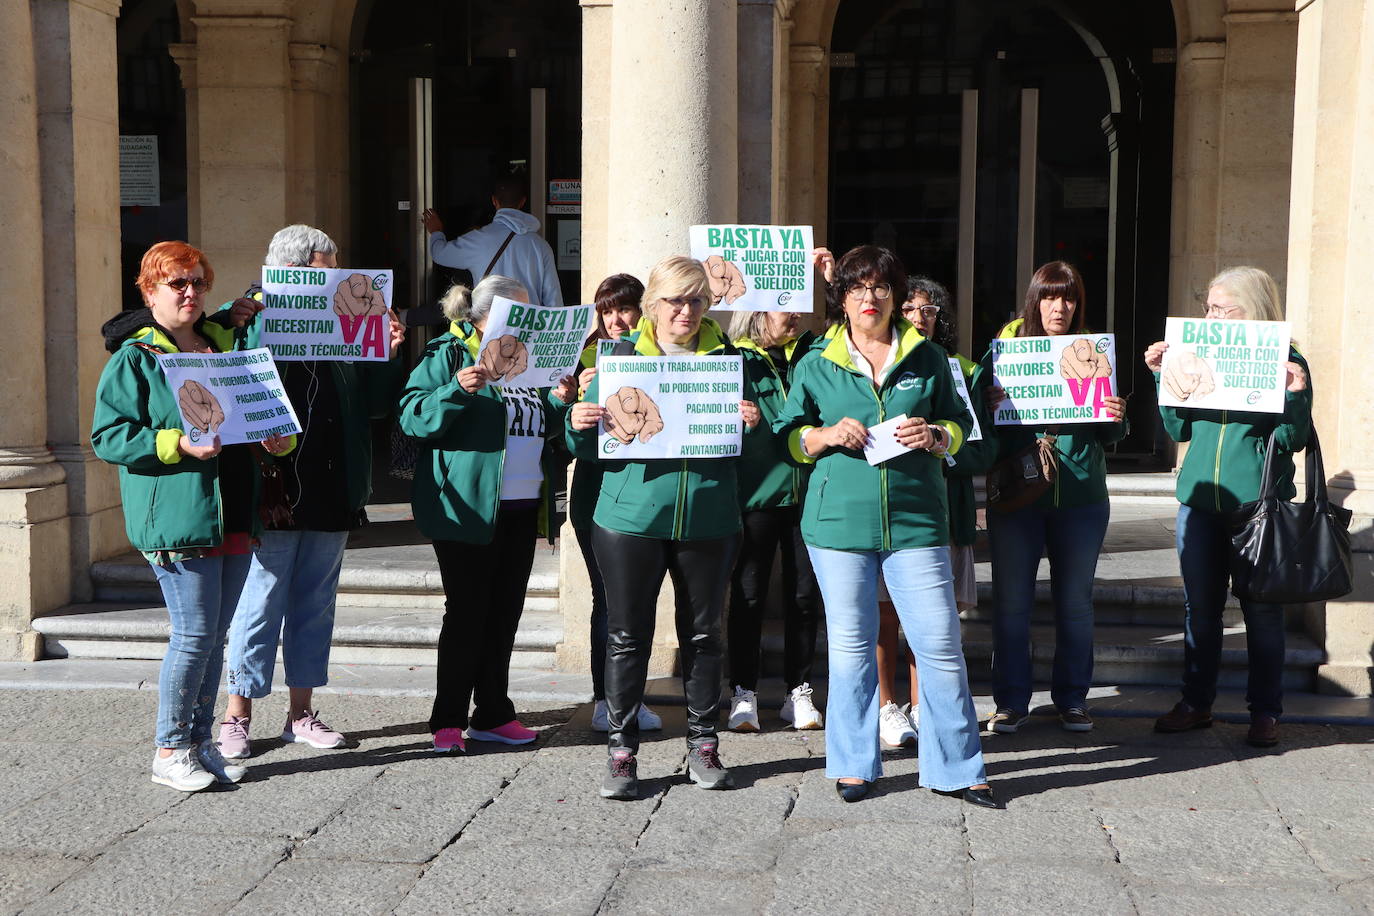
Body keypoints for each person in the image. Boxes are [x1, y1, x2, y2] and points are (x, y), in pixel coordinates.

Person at [775, 245, 998, 808]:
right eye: (856, 288)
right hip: (837, 525)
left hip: (919, 521)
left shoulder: (928, 358)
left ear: (896, 295)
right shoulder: (815, 360)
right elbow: (787, 434)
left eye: (878, 287)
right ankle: (853, 764)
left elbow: (960, 428)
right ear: (842, 298)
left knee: (939, 645)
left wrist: (938, 436)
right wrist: (822, 437)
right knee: (850, 649)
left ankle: (957, 768)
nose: (868, 297)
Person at [92, 241, 291, 791]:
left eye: (198, 283)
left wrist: (274, 440)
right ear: (149, 290)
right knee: (194, 634)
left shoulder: (221, 346)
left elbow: (253, 419)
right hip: (178, 515)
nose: (189, 292)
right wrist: (176, 442)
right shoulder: (135, 357)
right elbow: (108, 437)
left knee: (215, 634)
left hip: (232, 509)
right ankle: (170, 748)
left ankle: (200, 745)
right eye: (176, 283)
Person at [567, 256, 760, 800]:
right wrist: (578, 422)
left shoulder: (733, 361)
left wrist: (756, 425)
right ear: (652, 305)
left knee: (705, 634)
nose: (686, 310)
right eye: (675, 300)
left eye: (698, 299)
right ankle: (622, 751)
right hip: (630, 519)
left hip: (710, 518)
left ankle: (703, 743)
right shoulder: (619, 361)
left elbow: (765, 450)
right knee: (628, 636)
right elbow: (584, 444)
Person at [213, 225, 406, 759]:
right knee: (258, 603)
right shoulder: (246, 319)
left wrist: (387, 354)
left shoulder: (346, 326)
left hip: (332, 483)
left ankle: (301, 715)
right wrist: (240, 312)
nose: (337, 277)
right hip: (271, 488)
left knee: (315, 604)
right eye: (327, 267)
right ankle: (237, 716)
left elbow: (371, 405)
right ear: (294, 273)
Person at [397, 275, 577, 754]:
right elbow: (412, 417)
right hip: (466, 505)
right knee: (468, 612)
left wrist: (559, 402)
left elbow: (542, 428)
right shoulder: (449, 354)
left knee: (504, 613)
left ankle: (493, 713)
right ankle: (448, 719)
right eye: (518, 313)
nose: (527, 322)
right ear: (485, 316)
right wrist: (456, 389)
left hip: (522, 505)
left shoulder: (530, 359)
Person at [1144, 266, 1312, 748]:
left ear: (1252, 311)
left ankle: (1265, 712)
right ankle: (1196, 703)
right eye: (1209, 307)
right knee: (1201, 610)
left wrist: (1296, 397)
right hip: (1198, 501)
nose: (1211, 316)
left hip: (1256, 504)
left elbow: (1292, 438)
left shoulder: (1286, 356)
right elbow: (1179, 430)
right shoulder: (1196, 353)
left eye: (1222, 308)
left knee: (1261, 612)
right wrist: (1164, 380)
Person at [974, 261, 1127, 736]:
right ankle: (1011, 702)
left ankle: (1073, 700)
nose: (1059, 307)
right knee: (1012, 603)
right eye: (1050, 297)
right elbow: (978, 438)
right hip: (1018, 498)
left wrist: (1116, 415)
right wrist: (991, 407)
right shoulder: (1001, 356)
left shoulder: (1094, 353)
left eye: (1069, 298)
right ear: (1034, 300)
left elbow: (1109, 437)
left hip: (1080, 497)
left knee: (1075, 603)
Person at [875, 277, 992, 749]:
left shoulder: (960, 369)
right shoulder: (872, 366)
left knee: (935, 622)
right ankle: (887, 708)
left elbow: (980, 449)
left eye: (929, 310)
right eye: (909, 308)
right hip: (889, 511)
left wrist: (939, 444)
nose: (920, 317)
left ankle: (925, 707)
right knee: (884, 616)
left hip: (944, 512)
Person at [723, 308, 823, 732]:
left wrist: (833, 280)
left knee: (803, 596)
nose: (797, 314)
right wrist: (748, 424)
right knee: (749, 596)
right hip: (757, 495)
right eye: (787, 306)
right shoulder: (731, 359)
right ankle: (743, 691)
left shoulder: (813, 353)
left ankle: (797, 690)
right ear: (759, 313)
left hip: (808, 496)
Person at [571, 274, 663, 734]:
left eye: (624, 309)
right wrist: (576, 398)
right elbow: (567, 438)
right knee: (608, 600)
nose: (616, 320)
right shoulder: (582, 359)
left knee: (638, 603)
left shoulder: (656, 357)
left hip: (642, 499)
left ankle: (633, 696)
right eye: (607, 311)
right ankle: (604, 700)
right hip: (595, 499)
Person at [421, 174, 563, 308]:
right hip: (530, 330)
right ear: (522, 202)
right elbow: (554, 300)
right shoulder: (540, 246)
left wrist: (436, 231)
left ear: (494, 201)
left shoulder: (477, 239)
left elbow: (440, 254)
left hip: (491, 329)